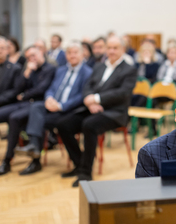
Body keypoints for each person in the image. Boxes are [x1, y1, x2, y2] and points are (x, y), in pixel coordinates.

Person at [56, 36, 137, 187]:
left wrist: (97, 99)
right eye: (109, 48)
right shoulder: (99, 66)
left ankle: (86, 172)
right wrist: (88, 99)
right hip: (92, 108)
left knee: (89, 125)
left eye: (115, 48)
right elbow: (88, 85)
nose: (111, 51)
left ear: (123, 50)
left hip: (114, 112)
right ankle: (79, 163)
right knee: (63, 124)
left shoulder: (129, 70)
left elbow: (123, 93)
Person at [14, 42, 92, 174]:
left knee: (44, 122)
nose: (72, 55)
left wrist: (61, 106)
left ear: (82, 54)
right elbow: (51, 88)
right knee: (36, 107)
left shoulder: (88, 72)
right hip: (53, 107)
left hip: (70, 111)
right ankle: (34, 151)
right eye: (69, 52)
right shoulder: (61, 70)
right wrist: (49, 98)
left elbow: (82, 96)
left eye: (75, 52)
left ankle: (36, 157)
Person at [0, 45, 55, 175]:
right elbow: (19, 88)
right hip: (24, 103)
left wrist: (24, 95)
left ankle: (7, 160)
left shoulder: (50, 69)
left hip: (38, 105)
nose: (32, 59)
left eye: (34, 55)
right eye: (28, 57)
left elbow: (41, 89)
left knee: (14, 118)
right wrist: (26, 73)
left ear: (41, 53)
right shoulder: (29, 69)